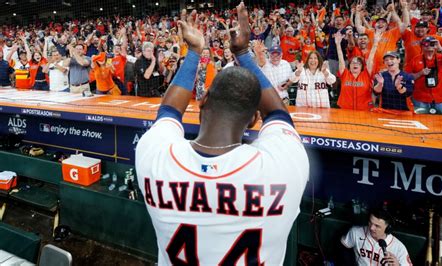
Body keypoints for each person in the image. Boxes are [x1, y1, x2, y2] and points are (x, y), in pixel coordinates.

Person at [136, 3, 309, 265]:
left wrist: (194, 51)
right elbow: (278, 115)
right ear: (253, 120)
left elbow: (169, 110)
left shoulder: (157, 157)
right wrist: (243, 53)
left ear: (202, 101)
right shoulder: (282, 167)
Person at [341, 208, 412, 265]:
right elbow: (343, 249)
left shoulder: (399, 247)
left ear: (388, 228)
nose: (371, 228)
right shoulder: (356, 232)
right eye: (370, 222)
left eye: (377, 226)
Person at [406, 36, 442, 114]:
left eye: (432, 44)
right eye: (426, 44)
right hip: (421, 97)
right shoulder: (415, 60)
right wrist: (420, 73)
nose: (429, 47)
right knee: (421, 121)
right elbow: (407, 77)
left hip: (441, 98)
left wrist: (440, 48)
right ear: (421, 46)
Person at [335, 31, 378, 111]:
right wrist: (338, 44)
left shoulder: (366, 75)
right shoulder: (345, 74)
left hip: (364, 111)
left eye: (358, 63)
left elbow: (370, 60)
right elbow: (341, 59)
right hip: (345, 110)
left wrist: (375, 44)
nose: (355, 64)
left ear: (362, 66)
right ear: (349, 66)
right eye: (353, 63)